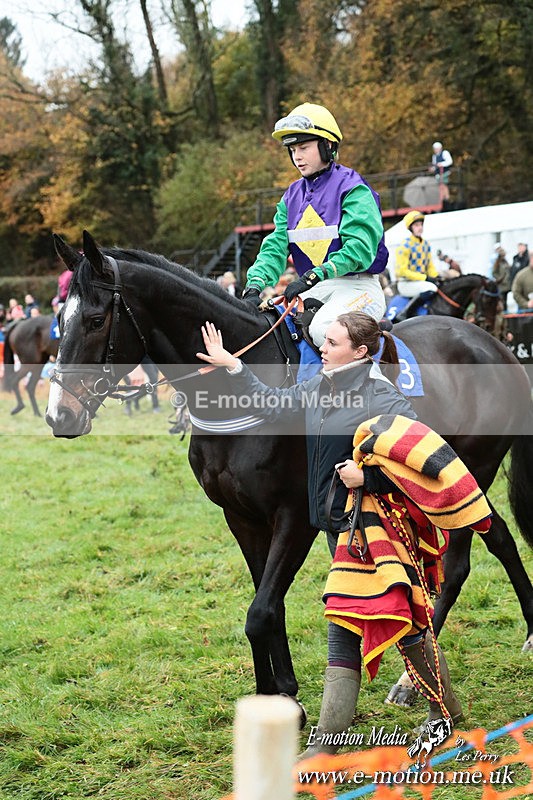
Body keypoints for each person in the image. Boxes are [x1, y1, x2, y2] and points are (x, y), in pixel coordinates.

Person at [195, 312, 489, 757]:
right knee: (381, 618)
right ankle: (441, 714)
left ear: (361, 352)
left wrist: (369, 480)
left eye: (331, 343)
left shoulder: (385, 399)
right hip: (340, 526)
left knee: (366, 620)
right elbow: (271, 403)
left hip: (379, 528)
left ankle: (331, 743)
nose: (322, 349)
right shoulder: (318, 388)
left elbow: (427, 462)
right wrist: (232, 366)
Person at [241, 102, 388, 347]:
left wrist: (313, 276)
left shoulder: (353, 188)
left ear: (327, 145)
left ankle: (377, 384)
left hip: (359, 287)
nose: (297, 156)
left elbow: (360, 249)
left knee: (325, 331)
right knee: (269, 329)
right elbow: (275, 248)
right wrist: (255, 286)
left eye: (304, 147)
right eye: (292, 149)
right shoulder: (290, 196)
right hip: (315, 288)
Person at [393, 211, 440, 320]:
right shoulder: (404, 245)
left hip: (420, 282)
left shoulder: (426, 244)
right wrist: (425, 278)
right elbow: (402, 271)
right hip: (406, 284)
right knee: (431, 288)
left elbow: (430, 265)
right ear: (410, 228)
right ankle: (404, 313)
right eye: (416, 225)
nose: (420, 228)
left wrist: (436, 276)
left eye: (421, 225)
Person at [491, 245, 511, 310]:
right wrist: (499, 278)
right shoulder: (497, 263)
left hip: (507, 285)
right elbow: (494, 273)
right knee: (502, 301)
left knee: (506, 301)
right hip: (501, 286)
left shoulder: (506, 262)